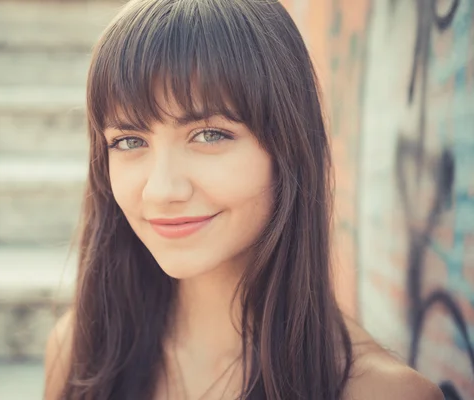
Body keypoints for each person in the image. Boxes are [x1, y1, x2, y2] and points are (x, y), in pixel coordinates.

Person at [43, 0, 443, 399]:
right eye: (129, 141)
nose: (161, 190)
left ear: (288, 147)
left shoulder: (384, 392)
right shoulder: (78, 353)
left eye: (209, 134)